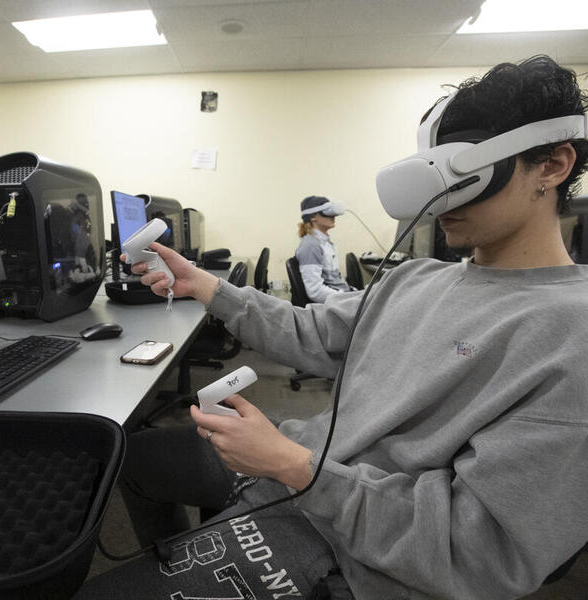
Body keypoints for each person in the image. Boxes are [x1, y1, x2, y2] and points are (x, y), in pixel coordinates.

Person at [76, 55, 588, 600]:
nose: (439, 200)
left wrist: (296, 468)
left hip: (355, 548)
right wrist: (205, 286)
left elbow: (481, 552)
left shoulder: (568, 336)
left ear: (553, 165)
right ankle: (183, 557)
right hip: (302, 466)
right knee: (130, 461)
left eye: (462, 174)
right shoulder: (413, 279)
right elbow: (310, 332)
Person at [296, 195, 351, 301]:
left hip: (343, 294)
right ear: (313, 218)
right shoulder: (311, 246)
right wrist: (346, 299)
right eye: (326, 212)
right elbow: (315, 291)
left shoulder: (325, 242)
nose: (333, 216)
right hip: (336, 301)